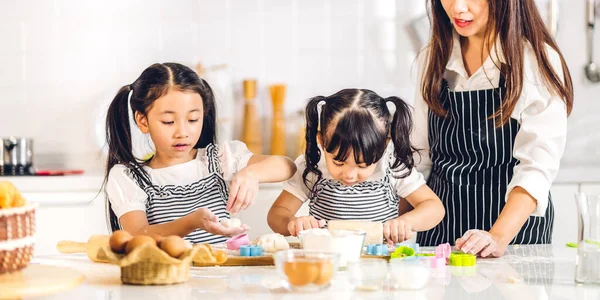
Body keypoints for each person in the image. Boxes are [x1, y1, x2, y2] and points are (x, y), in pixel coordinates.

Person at [412, 0, 573, 257]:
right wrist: (391, 230)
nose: (458, 8)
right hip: (438, 237)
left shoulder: (534, 60)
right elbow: (418, 159)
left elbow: (535, 168)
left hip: (514, 238)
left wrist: (496, 237)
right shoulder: (432, 56)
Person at [104, 62, 296, 244]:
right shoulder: (130, 178)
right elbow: (138, 234)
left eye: (193, 120)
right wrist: (192, 222)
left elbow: (287, 166)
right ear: (143, 121)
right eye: (169, 122)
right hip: (169, 276)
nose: (183, 132)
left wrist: (252, 173)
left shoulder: (219, 160)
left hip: (223, 276)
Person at [267, 89, 445, 244]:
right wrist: (293, 222)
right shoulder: (312, 165)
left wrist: (407, 222)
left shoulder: (392, 164)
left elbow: (434, 207)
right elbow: (277, 213)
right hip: (328, 263)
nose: (350, 175)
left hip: (380, 264)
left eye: (362, 164)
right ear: (321, 141)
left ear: (383, 146)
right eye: (338, 162)